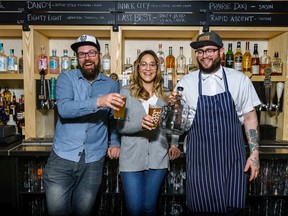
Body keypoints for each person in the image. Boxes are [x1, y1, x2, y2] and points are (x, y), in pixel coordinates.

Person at [171, 31, 261, 216]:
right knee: (200, 209)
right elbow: (180, 126)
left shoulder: (239, 80)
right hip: (200, 162)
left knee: (232, 209)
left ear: (220, 52)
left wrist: (255, 154)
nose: (205, 55)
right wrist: (175, 109)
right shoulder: (185, 83)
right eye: (200, 51)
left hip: (232, 160)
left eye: (210, 50)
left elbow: (250, 118)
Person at [43, 34, 124, 216]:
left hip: (94, 160)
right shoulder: (66, 78)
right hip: (62, 158)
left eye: (91, 53)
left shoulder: (111, 85)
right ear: (77, 58)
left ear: (99, 56)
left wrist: (115, 142)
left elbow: (114, 118)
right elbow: (64, 109)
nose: (87, 58)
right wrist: (98, 102)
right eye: (82, 54)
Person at [117, 50, 181, 216]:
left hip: (158, 158)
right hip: (131, 159)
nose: (148, 68)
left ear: (157, 68)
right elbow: (120, 126)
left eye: (152, 64)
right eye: (143, 64)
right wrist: (140, 125)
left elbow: (175, 121)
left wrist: (174, 143)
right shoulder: (124, 92)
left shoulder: (167, 95)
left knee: (149, 207)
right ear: (138, 68)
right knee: (135, 209)